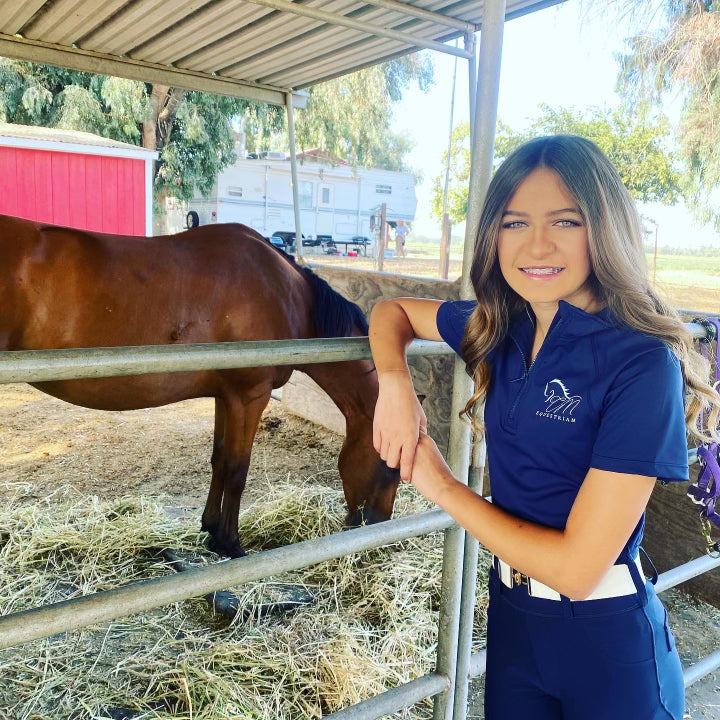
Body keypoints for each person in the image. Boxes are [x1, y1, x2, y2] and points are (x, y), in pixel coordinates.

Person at [368, 135, 720, 719]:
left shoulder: (639, 363)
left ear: (603, 230)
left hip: (604, 642)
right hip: (512, 622)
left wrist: (442, 487)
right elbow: (392, 312)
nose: (536, 244)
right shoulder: (499, 326)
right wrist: (395, 386)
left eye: (565, 220)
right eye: (513, 223)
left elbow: (577, 570)